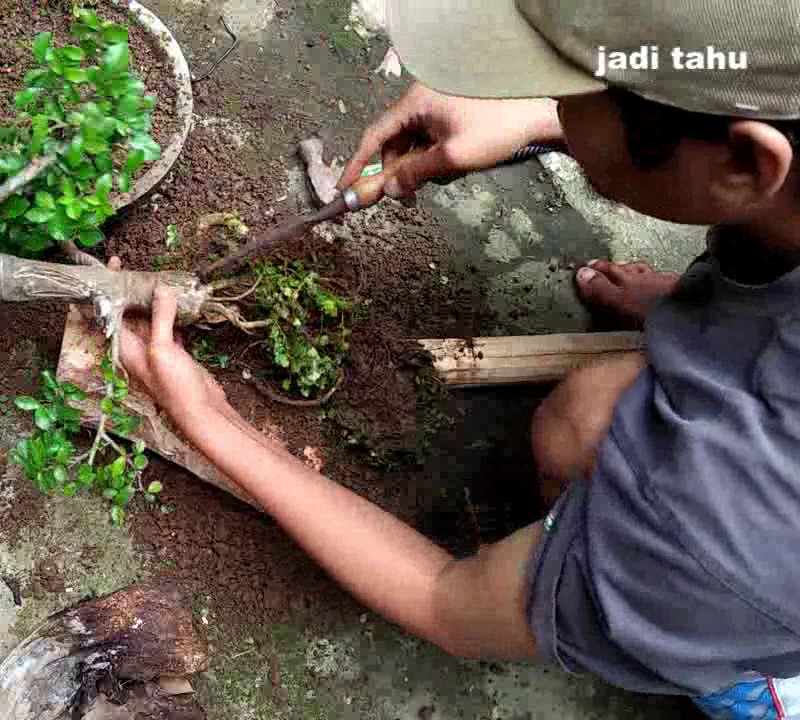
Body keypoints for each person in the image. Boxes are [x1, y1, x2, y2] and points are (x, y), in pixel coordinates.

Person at [116, 0, 800, 717]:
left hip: (761, 624)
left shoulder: (728, 523)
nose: (545, 94)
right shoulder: (774, 173)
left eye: (575, 83)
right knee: (591, 405)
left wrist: (212, 419)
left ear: (744, 164)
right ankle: (730, 312)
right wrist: (540, 121)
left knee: (575, 424)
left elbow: (447, 603)